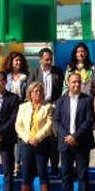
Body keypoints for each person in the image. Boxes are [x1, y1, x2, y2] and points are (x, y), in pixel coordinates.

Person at [54, 72, 95, 191]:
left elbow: (89, 121)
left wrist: (75, 136)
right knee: (66, 175)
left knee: (82, 175)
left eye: (79, 82)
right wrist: (67, 136)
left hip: (81, 143)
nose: (77, 84)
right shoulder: (61, 101)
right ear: (68, 83)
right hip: (65, 143)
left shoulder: (87, 100)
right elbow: (56, 121)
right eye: (74, 82)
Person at [15, 82, 55, 191]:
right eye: (35, 91)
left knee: (43, 172)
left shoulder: (48, 107)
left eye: (40, 91)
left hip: (42, 143)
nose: (38, 93)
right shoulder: (23, 107)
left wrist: (37, 138)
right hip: (26, 144)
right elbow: (18, 125)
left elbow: (49, 124)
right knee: (26, 173)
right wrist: (28, 138)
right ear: (30, 93)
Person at [30, 47, 64, 175]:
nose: (49, 62)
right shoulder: (34, 73)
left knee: (54, 139)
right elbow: (29, 91)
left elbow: (62, 90)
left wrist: (58, 104)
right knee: (39, 137)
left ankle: (55, 167)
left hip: (54, 107)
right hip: (38, 108)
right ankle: (38, 168)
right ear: (40, 60)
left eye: (50, 59)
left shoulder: (58, 72)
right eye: (46, 59)